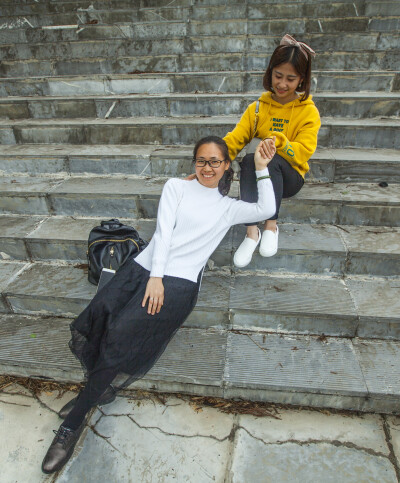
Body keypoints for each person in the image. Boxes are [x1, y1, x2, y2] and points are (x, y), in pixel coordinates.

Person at [41, 135, 276, 474]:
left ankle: (71, 427)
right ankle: (96, 392)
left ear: (226, 166)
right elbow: (163, 233)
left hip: (178, 284)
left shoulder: (228, 208)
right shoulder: (175, 187)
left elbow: (266, 209)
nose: (207, 167)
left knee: (120, 339)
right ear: (194, 163)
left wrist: (262, 168)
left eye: (214, 161)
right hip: (144, 270)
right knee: (101, 320)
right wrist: (154, 277)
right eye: (201, 161)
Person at [224, 34, 321, 268]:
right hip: (258, 175)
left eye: (290, 78)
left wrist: (278, 142)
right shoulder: (258, 108)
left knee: (271, 157)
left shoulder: (308, 112)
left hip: (289, 179)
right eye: (278, 76)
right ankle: (251, 232)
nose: (282, 84)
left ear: (301, 80)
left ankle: (270, 225)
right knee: (249, 159)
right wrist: (214, 158)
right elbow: (236, 138)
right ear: (270, 73)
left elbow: (303, 152)